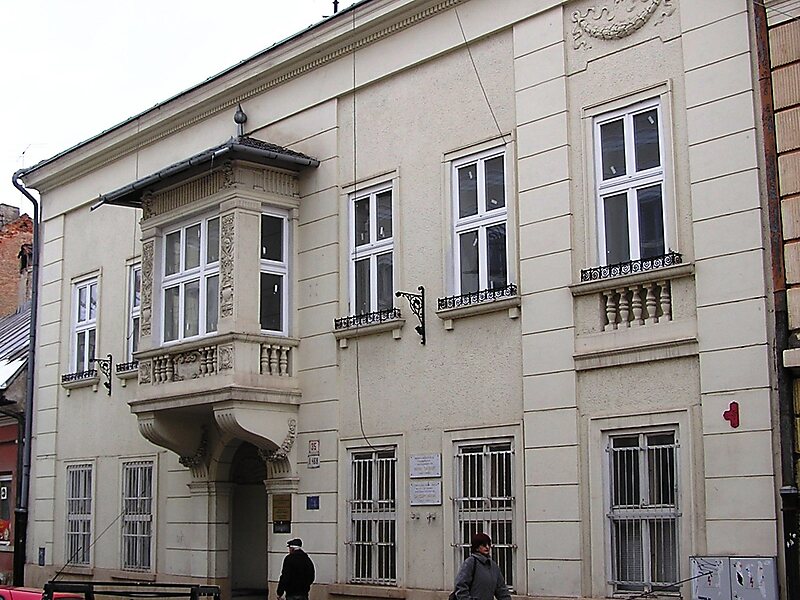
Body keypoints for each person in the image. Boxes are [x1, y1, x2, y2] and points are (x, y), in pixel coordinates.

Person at [453, 533, 511, 600]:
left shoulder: (493, 566)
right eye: (483, 545)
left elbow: (501, 590)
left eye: (489, 544)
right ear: (476, 547)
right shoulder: (470, 563)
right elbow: (461, 586)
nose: (487, 547)